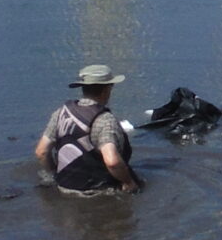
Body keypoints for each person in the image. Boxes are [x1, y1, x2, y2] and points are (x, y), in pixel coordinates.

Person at [36, 63, 144, 195]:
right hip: (98, 191)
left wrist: (55, 175)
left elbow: (41, 151)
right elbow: (112, 162)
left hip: (63, 186)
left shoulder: (60, 113)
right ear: (107, 90)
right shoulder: (105, 120)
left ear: (83, 88)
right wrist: (128, 182)